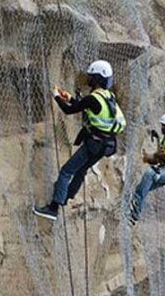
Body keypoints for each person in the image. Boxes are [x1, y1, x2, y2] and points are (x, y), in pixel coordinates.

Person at [34, 60, 126, 221]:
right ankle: (65, 196)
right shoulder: (108, 97)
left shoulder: (93, 98)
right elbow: (81, 105)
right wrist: (67, 97)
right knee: (81, 171)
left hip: (93, 144)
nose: (88, 78)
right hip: (106, 145)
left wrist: (56, 96)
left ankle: (53, 208)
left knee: (66, 171)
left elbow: (70, 110)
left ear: (97, 78)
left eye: (91, 76)